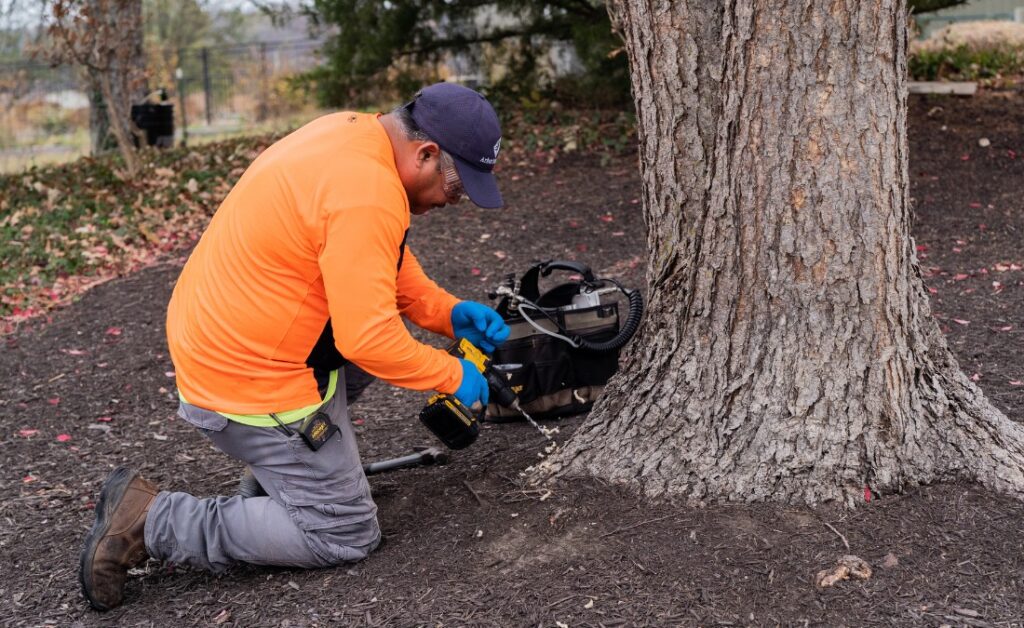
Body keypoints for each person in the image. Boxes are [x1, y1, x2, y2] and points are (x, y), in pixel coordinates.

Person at [79, 82, 512, 611]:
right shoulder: (367, 191)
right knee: (344, 532)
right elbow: (367, 336)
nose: (454, 199)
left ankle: (282, 470)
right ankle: (150, 521)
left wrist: (445, 313)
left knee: (370, 342)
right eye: (457, 185)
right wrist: (453, 376)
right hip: (247, 379)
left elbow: (376, 259)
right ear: (426, 153)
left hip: (228, 343)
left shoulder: (354, 135)